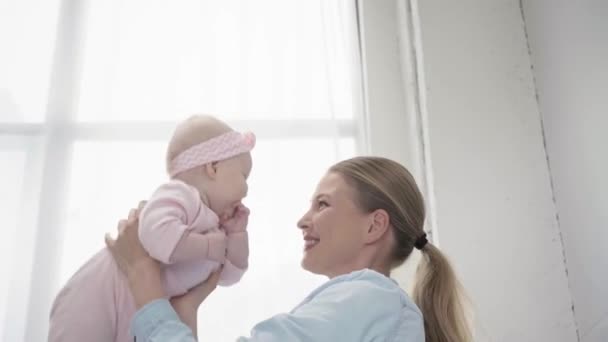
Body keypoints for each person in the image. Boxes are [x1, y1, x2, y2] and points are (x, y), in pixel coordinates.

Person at [106, 156, 473, 342]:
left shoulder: (368, 298)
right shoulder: (369, 309)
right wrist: (185, 311)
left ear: (374, 225)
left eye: (323, 204)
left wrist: (144, 282)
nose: (303, 220)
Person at [49, 115, 255, 342]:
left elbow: (229, 275)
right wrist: (208, 247)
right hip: (98, 294)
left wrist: (237, 234)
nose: (246, 190)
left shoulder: (216, 227)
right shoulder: (181, 195)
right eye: (243, 176)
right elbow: (158, 236)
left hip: (142, 308)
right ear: (213, 167)